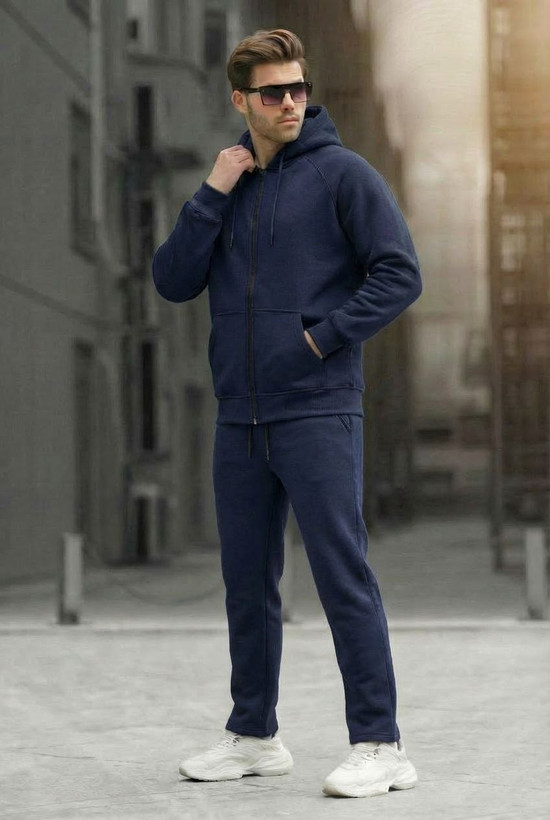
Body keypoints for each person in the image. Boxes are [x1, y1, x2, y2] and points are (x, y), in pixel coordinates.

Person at [152, 28, 421, 799]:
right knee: (246, 583)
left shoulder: (343, 175)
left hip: (317, 410)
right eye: (273, 93)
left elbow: (400, 273)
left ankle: (381, 744)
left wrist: (318, 340)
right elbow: (172, 280)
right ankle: (254, 736)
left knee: (342, 576)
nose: (291, 103)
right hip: (239, 417)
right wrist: (211, 193)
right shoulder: (228, 187)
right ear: (241, 100)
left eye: (299, 88)